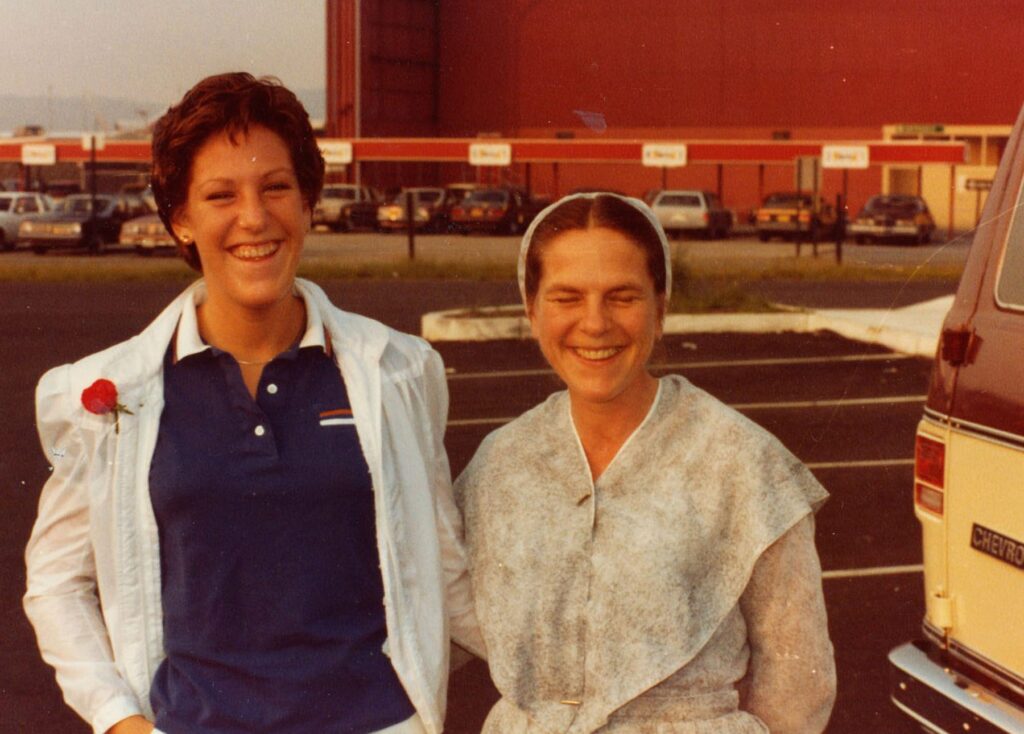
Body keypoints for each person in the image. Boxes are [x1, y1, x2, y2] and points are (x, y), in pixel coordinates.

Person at [24, 72, 480, 734]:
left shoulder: (399, 370)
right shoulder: (110, 391)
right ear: (180, 218)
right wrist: (120, 720)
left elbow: (443, 568)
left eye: (276, 188)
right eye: (220, 195)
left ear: (308, 200)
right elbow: (57, 584)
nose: (254, 218)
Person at [455, 193, 836, 733]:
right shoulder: (500, 464)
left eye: (622, 296)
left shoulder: (742, 462)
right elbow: (441, 624)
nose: (595, 323)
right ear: (531, 309)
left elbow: (799, 682)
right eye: (566, 297)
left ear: (661, 308)